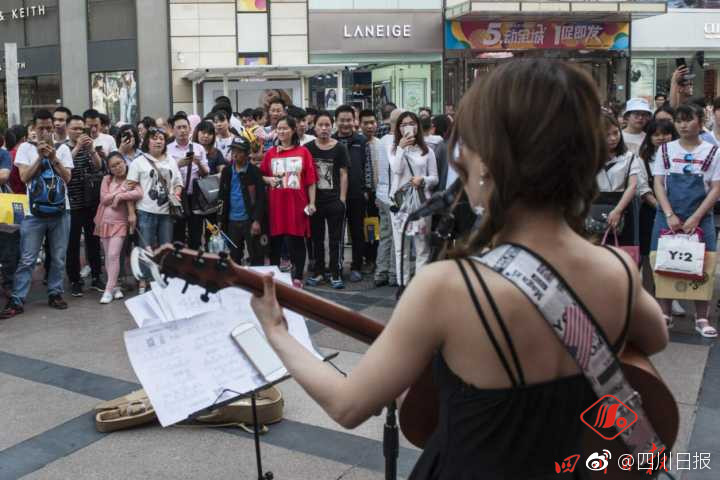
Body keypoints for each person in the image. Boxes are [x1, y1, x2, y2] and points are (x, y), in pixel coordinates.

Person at [248, 59, 668, 478]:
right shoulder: (616, 270)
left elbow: (348, 404)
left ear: (488, 160)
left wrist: (277, 333)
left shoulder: (447, 287)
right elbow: (656, 337)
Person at [651, 103, 720, 337]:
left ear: (700, 122)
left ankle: (702, 318)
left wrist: (695, 217)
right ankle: (665, 314)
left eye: (688, 119)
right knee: (662, 262)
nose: (682, 124)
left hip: (701, 216)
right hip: (667, 215)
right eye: (678, 120)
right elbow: (658, 183)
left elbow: (716, 188)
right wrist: (669, 214)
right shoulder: (665, 150)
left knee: (705, 264)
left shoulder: (713, 151)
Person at [0, 110, 74, 319]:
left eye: (49, 128)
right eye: (41, 128)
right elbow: (24, 177)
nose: (45, 132)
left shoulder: (63, 149)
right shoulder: (25, 148)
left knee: (58, 257)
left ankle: (55, 293)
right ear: (33, 128)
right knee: (27, 258)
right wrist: (40, 157)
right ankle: (17, 299)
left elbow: (67, 178)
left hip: (61, 211)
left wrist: (53, 157)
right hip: (34, 213)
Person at [260, 116, 317, 287]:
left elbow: (311, 181)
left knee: (297, 241)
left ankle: (298, 276)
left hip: (297, 205)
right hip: (276, 206)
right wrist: (268, 180)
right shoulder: (270, 153)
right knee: (275, 242)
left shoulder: (303, 152)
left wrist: (312, 202)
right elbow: (261, 175)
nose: (282, 131)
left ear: (293, 130)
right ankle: (276, 277)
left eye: (285, 128)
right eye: (279, 128)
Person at [127, 127, 183, 294]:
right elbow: (129, 188)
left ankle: (162, 279)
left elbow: (178, 182)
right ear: (147, 142)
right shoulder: (139, 162)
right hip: (145, 211)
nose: (158, 141)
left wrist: (177, 193)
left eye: (161, 138)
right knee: (146, 248)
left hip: (166, 212)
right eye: (154, 138)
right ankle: (144, 281)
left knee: (166, 248)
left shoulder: (171, 160)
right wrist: (131, 212)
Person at [388, 111, 438, 286]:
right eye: (403, 125)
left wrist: (422, 180)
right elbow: (396, 170)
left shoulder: (428, 151)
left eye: (411, 123)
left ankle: (419, 288)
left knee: (422, 247)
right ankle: (403, 286)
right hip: (400, 204)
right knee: (401, 248)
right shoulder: (393, 149)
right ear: (398, 128)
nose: (408, 127)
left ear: (417, 126)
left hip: (422, 204)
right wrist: (401, 148)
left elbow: (435, 178)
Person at [305, 111, 349, 289]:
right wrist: (309, 201)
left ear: (332, 126)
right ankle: (318, 272)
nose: (324, 128)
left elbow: (344, 174)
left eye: (327, 125)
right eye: (320, 125)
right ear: (314, 127)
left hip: (334, 200)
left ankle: (336, 273)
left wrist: (342, 199)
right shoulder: (308, 148)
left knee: (335, 239)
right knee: (316, 239)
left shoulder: (340, 148)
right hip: (315, 201)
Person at [65, 115, 106, 297]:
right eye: (75, 129)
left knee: (93, 242)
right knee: (72, 244)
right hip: (72, 205)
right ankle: (75, 280)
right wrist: (78, 147)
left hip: (91, 203)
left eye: (82, 129)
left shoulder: (90, 147)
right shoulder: (63, 149)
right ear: (68, 130)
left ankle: (97, 276)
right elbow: (64, 167)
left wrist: (91, 150)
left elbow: (98, 167)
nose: (79, 132)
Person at [94, 152, 142, 304]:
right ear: (109, 168)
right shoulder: (107, 179)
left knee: (114, 254)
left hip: (120, 224)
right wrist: (121, 190)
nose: (117, 167)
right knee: (108, 256)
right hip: (104, 222)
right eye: (113, 166)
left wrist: (120, 197)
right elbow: (104, 199)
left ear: (125, 162)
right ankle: (115, 287)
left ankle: (108, 290)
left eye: (119, 163)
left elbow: (139, 193)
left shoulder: (131, 179)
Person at [334, 105, 374, 281]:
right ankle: (337, 265)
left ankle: (357, 265)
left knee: (357, 232)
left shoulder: (361, 141)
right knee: (336, 232)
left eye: (349, 120)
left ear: (354, 121)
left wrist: (367, 189)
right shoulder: (332, 140)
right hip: (334, 195)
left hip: (357, 194)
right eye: (342, 120)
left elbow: (367, 167)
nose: (345, 123)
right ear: (336, 121)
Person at [219, 136, 266, 266]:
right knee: (234, 257)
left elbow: (261, 198)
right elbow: (222, 196)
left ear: (247, 154)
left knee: (256, 255)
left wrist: (256, 220)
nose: (235, 154)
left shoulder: (255, 172)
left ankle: (256, 283)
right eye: (233, 150)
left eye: (239, 151)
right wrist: (220, 220)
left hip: (249, 220)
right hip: (232, 220)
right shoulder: (227, 171)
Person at [595, 113, 640, 249]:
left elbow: (632, 186)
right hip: (594, 205)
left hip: (623, 205)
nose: (613, 138)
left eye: (616, 133)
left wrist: (618, 210)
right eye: (607, 135)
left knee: (623, 250)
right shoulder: (588, 156)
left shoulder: (629, 157)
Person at [167, 114, 209, 250]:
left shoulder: (198, 148)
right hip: (177, 197)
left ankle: (195, 265)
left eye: (185, 127)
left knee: (195, 234)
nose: (182, 130)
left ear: (190, 129)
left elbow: (206, 173)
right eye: (179, 127)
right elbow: (164, 173)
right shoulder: (167, 149)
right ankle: (179, 265)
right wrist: (178, 164)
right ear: (173, 130)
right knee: (177, 234)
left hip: (195, 196)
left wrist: (198, 163)